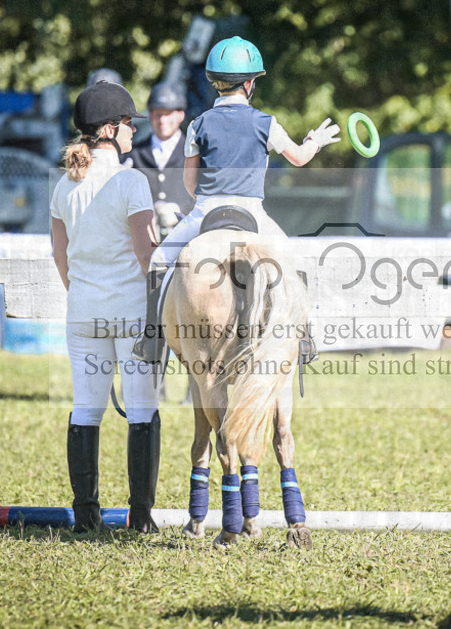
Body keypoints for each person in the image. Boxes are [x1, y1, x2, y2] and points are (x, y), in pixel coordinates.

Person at [133, 36, 340, 362]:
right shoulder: (266, 122)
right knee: (293, 263)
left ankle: (151, 341)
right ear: (249, 83)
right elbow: (299, 157)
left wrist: (205, 202)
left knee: (159, 262)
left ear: (215, 82)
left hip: (206, 211)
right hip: (252, 214)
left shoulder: (197, 124)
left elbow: (190, 183)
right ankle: (304, 339)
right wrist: (314, 141)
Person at [50, 80, 161, 533]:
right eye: (129, 124)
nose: (134, 131)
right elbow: (146, 253)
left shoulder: (63, 185)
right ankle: (139, 518)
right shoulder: (131, 181)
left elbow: (61, 256)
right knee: (142, 410)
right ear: (111, 129)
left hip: (83, 313)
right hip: (131, 311)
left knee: (86, 410)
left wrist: (82, 294)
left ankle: (85, 516)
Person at [124, 81, 196, 236]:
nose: (162, 121)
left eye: (167, 114)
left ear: (180, 115)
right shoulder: (134, 154)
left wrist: (180, 211)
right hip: (146, 241)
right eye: (158, 114)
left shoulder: (196, 154)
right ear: (150, 115)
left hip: (187, 238)